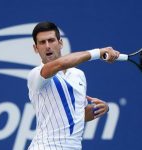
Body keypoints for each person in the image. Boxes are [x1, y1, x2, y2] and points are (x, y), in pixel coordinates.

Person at [27, 21, 120, 150]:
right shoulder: (36, 74)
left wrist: (100, 109)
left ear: (60, 43)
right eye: (42, 42)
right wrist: (98, 52)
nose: (47, 46)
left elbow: (78, 116)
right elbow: (60, 64)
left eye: (51, 40)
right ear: (36, 49)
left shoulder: (78, 75)